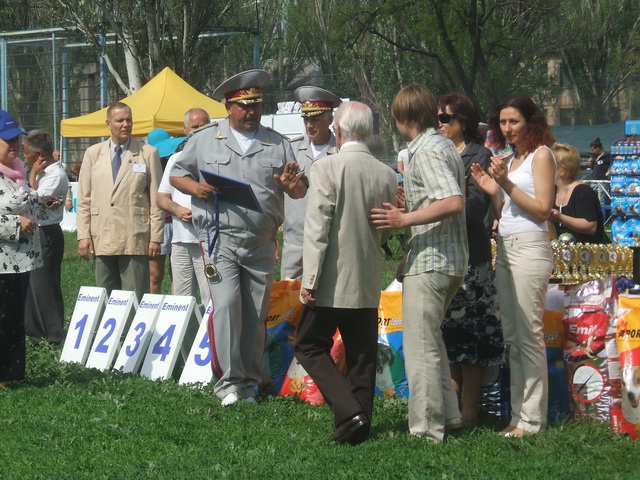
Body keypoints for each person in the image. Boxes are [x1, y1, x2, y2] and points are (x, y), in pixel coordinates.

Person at [170, 70, 307, 406]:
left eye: (256, 106)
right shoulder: (205, 139)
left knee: (255, 314)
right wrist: (197, 188)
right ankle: (229, 383)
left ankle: (248, 382)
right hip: (221, 241)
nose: (251, 112)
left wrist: (292, 186)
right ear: (228, 107)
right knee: (228, 306)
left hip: (261, 242)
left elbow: (300, 190)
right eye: (244, 107)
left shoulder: (278, 143)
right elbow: (176, 174)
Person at [369, 84, 468, 442]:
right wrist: (411, 210)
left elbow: (453, 201)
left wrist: (403, 219)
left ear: (403, 118)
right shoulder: (443, 145)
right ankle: (450, 415)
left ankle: (426, 428)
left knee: (420, 348)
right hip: (444, 257)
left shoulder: (424, 151)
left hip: (434, 260)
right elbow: (445, 198)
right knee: (432, 341)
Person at [294, 101, 397, 445]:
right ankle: (360, 423)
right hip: (367, 275)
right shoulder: (386, 174)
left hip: (331, 278)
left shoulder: (326, 167)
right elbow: (385, 231)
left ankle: (349, 411)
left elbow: (317, 228)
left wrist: (310, 278)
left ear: (337, 130)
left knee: (309, 346)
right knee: (362, 354)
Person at [470, 94, 556, 437]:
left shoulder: (542, 155)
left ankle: (532, 420)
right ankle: (518, 417)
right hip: (505, 247)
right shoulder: (509, 160)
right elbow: (507, 212)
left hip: (531, 248)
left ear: (530, 122)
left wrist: (504, 183)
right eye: (503, 122)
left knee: (528, 335)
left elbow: (542, 210)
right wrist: (493, 191)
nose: (507, 128)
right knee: (514, 337)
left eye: (514, 121)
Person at [436, 93, 503, 424]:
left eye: (445, 118)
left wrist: (436, 208)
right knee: (448, 334)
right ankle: (452, 406)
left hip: (472, 259)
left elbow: (476, 211)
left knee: (473, 336)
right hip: (443, 256)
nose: (439, 124)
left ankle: (470, 409)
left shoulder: (480, 155)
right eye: (437, 118)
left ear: (462, 121)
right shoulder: (437, 152)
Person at [76, 101, 164, 302]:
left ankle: (134, 324)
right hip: (102, 236)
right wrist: (83, 235)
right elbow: (84, 199)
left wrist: (155, 238)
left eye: (129, 120)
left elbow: (156, 199)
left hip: (134, 236)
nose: (125, 124)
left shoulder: (147, 153)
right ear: (108, 124)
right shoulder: (93, 154)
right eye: (120, 120)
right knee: (105, 296)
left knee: (134, 297)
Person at [0, 111, 55, 385]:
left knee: (12, 319)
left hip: (20, 262)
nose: (15, 145)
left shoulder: (18, 173)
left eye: (17, 140)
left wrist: (43, 205)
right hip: (1, 263)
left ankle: (11, 374)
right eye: (8, 140)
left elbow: (28, 206)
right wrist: (15, 224)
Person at [281, 86, 340, 280]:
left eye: (315, 119)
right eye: (306, 119)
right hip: (295, 241)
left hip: (329, 241)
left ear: (330, 119)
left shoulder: (341, 152)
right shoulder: (291, 149)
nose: (309, 125)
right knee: (289, 295)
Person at [157, 108, 211, 304]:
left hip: (208, 241)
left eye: (204, 126)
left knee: (210, 298)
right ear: (185, 129)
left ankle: (208, 326)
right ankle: (186, 327)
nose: (198, 131)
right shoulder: (175, 159)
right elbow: (161, 197)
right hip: (180, 241)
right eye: (194, 127)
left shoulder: (217, 158)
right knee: (180, 301)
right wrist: (177, 210)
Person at [23, 130, 69, 345]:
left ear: (39, 154)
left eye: (27, 153)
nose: (25, 156)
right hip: (34, 231)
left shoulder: (54, 175)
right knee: (32, 285)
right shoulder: (42, 172)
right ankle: (35, 334)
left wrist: (32, 175)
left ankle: (54, 336)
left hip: (46, 232)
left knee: (46, 286)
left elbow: (34, 201)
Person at [147, 128, 187, 294]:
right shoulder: (148, 166)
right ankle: (152, 305)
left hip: (177, 222)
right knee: (154, 275)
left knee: (177, 274)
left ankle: (174, 305)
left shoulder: (176, 163)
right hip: (158, 224)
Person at [549, 143, 609, 244]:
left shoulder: (583, 191)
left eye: (549, 165)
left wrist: (560, 217)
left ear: (562, 170)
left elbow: (590, 226)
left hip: (588, 250)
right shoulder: (553, 191)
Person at [587, 137, 611, 206]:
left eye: (593, 150)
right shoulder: (594, 157)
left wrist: (609, 171)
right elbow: (592, 167)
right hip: (593, 180)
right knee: (591, 199)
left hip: (602, 181)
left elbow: (613, 164)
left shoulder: (607, 156)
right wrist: (589, 163)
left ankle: (602, 212)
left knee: (601, 201)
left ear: (598, 148)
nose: (592, 152)